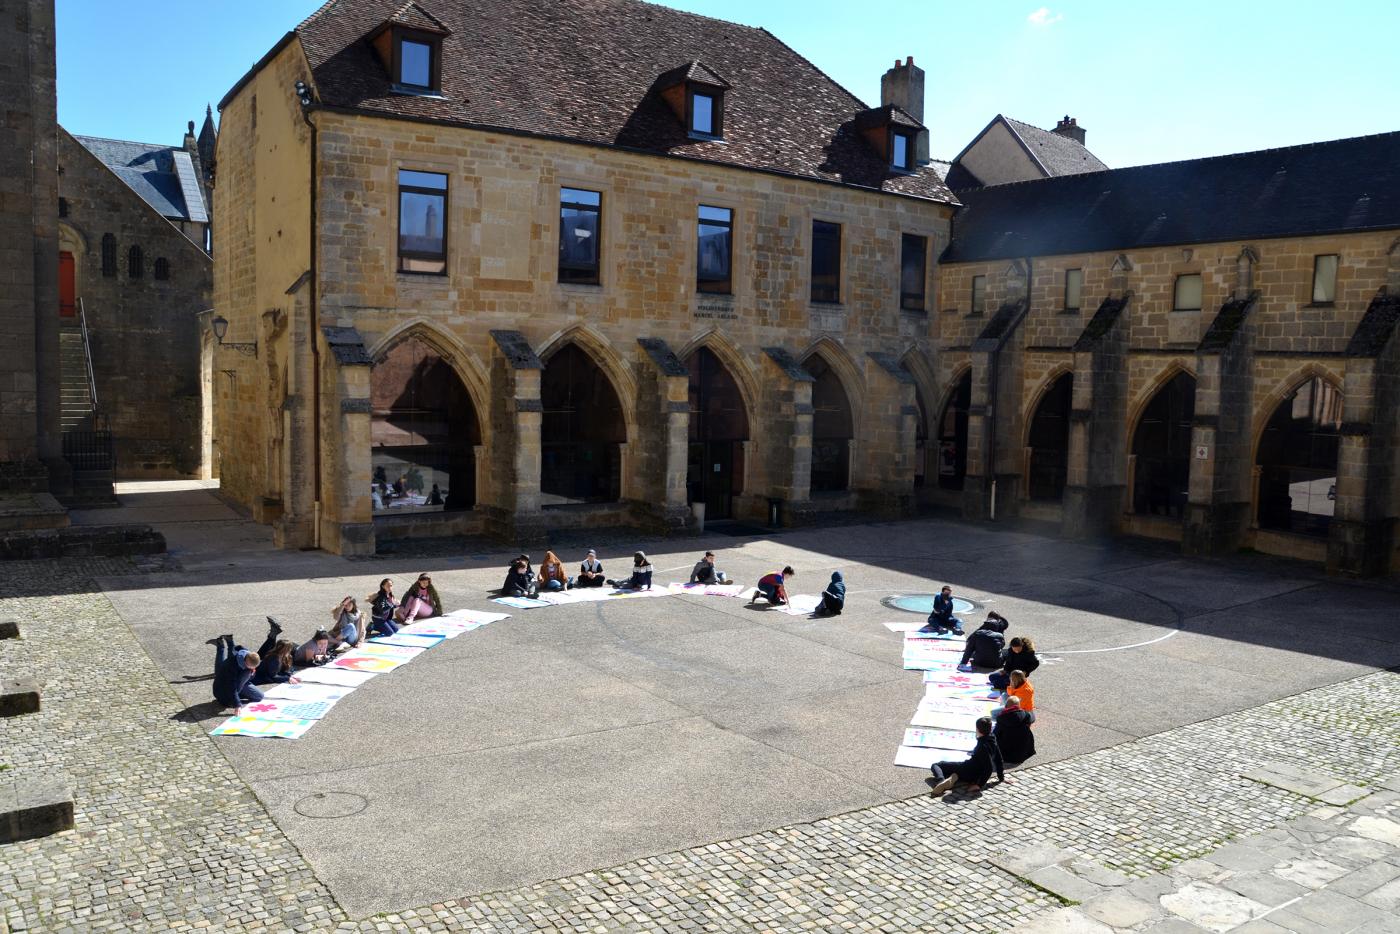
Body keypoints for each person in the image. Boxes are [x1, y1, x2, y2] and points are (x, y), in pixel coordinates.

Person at [929, 716, 1006, 796]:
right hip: (976, 775)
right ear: (990, 729)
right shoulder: (992, 739)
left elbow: (989, 768)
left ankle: (941, 781)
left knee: (937, 765)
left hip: (968, 770)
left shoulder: (982, 746)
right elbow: (998, 759)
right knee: (954, 771)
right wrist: (1001, 777)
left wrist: (979, 785)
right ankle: (954, 777)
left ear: (977, 729)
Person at [207, 633, 262, 711]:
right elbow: (231, 686)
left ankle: (225, 642)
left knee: (259, 696)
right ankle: (220, 646)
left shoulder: (246, 658)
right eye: (251, 667)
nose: (252, 669)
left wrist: (252, 672)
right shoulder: (233, 666)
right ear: (246, 663)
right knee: (221, 668)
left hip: (239, 682)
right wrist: (237, 704)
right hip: (226, 686)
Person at [252, 616, 299, 686]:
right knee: (260, 654)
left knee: (262, 652)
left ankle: (273, 633)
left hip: (261, 663)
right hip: (257, 672)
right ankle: (273, 633)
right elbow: (273, 676)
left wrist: (289, 675)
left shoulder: (283, 656)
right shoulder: (275, 659)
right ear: (285, 651)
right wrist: (287, 678)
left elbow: (285, 669)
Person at [992, 695, 1036, 764]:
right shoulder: (1026, 715)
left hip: (1007, 756)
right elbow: (1033, 718)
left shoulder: (1001, 718)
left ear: (1006, 706)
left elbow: (995, 734)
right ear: (1018, 705)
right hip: (1023, 753)